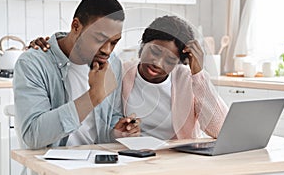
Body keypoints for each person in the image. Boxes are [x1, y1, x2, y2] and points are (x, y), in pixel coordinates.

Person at [30, 15, 228, 140]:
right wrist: (53, 45)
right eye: (154, 51)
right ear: (143, 45)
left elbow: (220, 130)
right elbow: (82, 49)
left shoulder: (188, 79)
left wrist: (199, 75)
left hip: (177, 164)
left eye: (169, 59)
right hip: (132, 161)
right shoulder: (120, 72)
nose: (157, 64)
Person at [13, 0, 140, 150]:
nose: (107, 50)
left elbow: (108, 121)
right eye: (99, 39)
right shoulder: (33, 64)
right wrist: (93, 96)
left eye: (114, 42)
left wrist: (117, 132)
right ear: (76, 26)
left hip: (100, 162)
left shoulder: (112, 63)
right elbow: (32, 135)